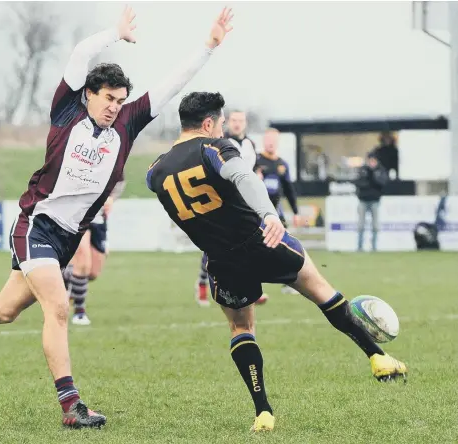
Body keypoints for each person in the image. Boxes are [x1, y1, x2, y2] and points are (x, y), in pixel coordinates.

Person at [0, 6, 235, 429]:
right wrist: (113, 34)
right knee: (58, 308)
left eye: (119, 100)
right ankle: (71, 406)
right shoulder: (67, 112)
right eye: (108, 98)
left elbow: (170, 86)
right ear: (89, 95)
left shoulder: (128, 125)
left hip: (67, 237)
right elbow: (80, 54)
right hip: (35, 225)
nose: (115, 106)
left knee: (5, 310)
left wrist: (207, 47)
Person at [145, 92, 407, 433]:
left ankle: (263, 411)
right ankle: (378, 358)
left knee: (241, 329)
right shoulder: (214, 147)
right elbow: (243, 177)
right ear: (208, 123)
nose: (223, 128)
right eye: (221, 123)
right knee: (322, 290)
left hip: (222, 260)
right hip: (262, 240)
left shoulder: (155, 171)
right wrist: (269, 214)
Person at [194, 110, 268, 307]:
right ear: (227, 123)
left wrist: (258, 175)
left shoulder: (250, 144)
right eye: (233, 120)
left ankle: (252, 287)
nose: (237, 124)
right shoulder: (220, 142)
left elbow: (255, 167)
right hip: (224, 200)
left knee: (251, 241)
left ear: (245, 123)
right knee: (215, 243)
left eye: (240, 120)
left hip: (246, 201)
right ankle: (202, 283)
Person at [63, 178, 126, 325]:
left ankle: (63, 275)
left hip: (98, 217)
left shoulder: (114, 157)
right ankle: (79, 313)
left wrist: (111, 197)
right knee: (83, 262)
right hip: (76, 213)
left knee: (92, 272)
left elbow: (119, 180)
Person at [255, 127, 300, 297]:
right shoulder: (256, 161)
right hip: (257, 212)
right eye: (268, 140)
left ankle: (289, 283)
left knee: (286, 247)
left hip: (276, 212)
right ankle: (254, 286)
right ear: (263, 141)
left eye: (274, 140)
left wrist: (295, 212)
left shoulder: (282, 165)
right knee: (257, 249)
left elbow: (289, 189)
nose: (271, 143)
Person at [356, 152, 388, 252]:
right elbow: (358, 183)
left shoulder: (380, 170)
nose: (372, 163)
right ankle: (359, 246)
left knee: (375, 225)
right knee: (361, 225)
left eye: (374, 161)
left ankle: (374, 247)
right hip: (363, 200)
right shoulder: (363, 170)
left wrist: (373, 178)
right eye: (370, 160)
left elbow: (382, 183)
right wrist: (369, 182)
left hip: (375, 201)